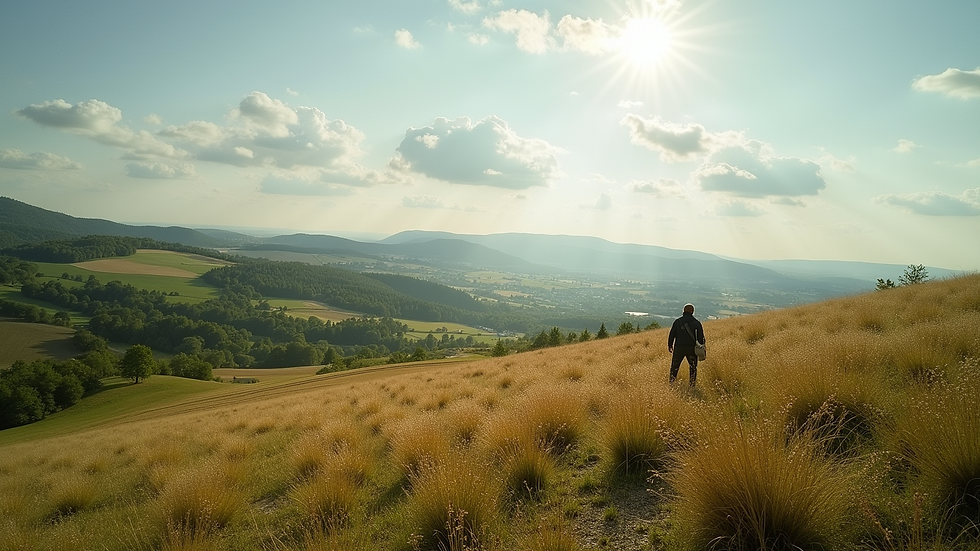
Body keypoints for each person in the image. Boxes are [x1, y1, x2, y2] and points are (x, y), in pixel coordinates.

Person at [667, 303, 705, 387]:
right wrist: (701, 346)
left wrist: (670, 345)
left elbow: (671, 334)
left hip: (679, 348)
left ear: (683, 311)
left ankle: (672, 384)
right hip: (692, 349)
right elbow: (701, 338)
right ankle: (692, 385)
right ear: (693, 312)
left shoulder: (678, 322)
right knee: (693, 367)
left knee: (674, 367)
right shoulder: (697, 323)